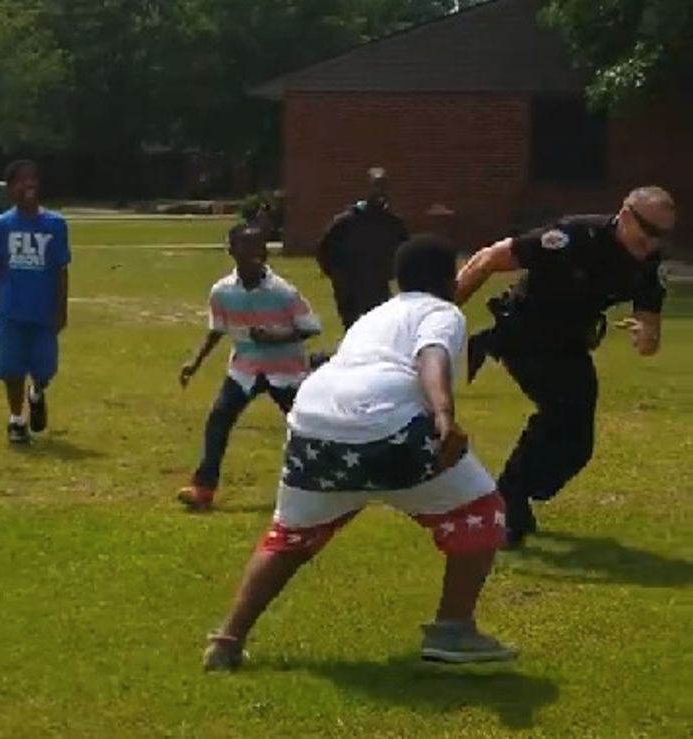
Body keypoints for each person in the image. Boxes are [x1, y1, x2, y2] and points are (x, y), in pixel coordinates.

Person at [202, 235, 516, 670]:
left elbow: (345, 359)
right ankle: (453, 629)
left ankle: (227, 640)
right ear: (448, 279)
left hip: (312, 423)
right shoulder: (442, 312)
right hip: (387, 427)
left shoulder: (376, 315)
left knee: (288, 538)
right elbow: (431, 355)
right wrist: (443, 416)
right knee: (481, 508)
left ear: (398, 279)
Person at [458, 186, 675, 547]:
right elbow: (488, 259)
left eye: (662, 234)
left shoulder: (648, 265)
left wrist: (645, 336)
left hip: (568, 346)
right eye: (648, 230)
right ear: (624, 216)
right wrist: (439, 308)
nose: (652, 242)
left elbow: (650, 332)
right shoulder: (573, 236)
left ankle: (519, 496)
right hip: (523, 333)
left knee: (578, 445)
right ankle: (505, 502)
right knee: (560, 411)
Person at [178, 223, 322, 511]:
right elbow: (217, 330)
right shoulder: (222, 292)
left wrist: (276, 337)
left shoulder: (283, 292)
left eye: (262, 246)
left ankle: (325, 481)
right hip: (244, 370)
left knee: (309, 425)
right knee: (218, 421)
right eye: (249, 246)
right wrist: (195, 361)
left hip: (286, 373)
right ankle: (203, 488)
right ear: (231, 250)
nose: (258, 253)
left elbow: (310, 327)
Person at [0, 159, 71, 446]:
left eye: (32, 179)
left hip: (43, 311)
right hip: (11, 310)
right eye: (21, 180)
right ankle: (16, 420)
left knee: (44, 370)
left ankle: (37, 393)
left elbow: (61, 270)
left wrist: (61, 310)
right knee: (11, 369)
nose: (28, 184)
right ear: (10, 188)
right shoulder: (2, 225)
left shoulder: (55, 225)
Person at [317, 167, 409, 330]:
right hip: (349, 288)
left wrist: (392, 273)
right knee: (353, 330)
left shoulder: (392, 223)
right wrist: (336, 276)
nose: (380, 191)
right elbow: (325, 250)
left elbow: (405, 251)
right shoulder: (346, 222)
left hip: (377, 287)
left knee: (377, 330)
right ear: (367, 188)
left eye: (383, 186)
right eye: (376, 185)